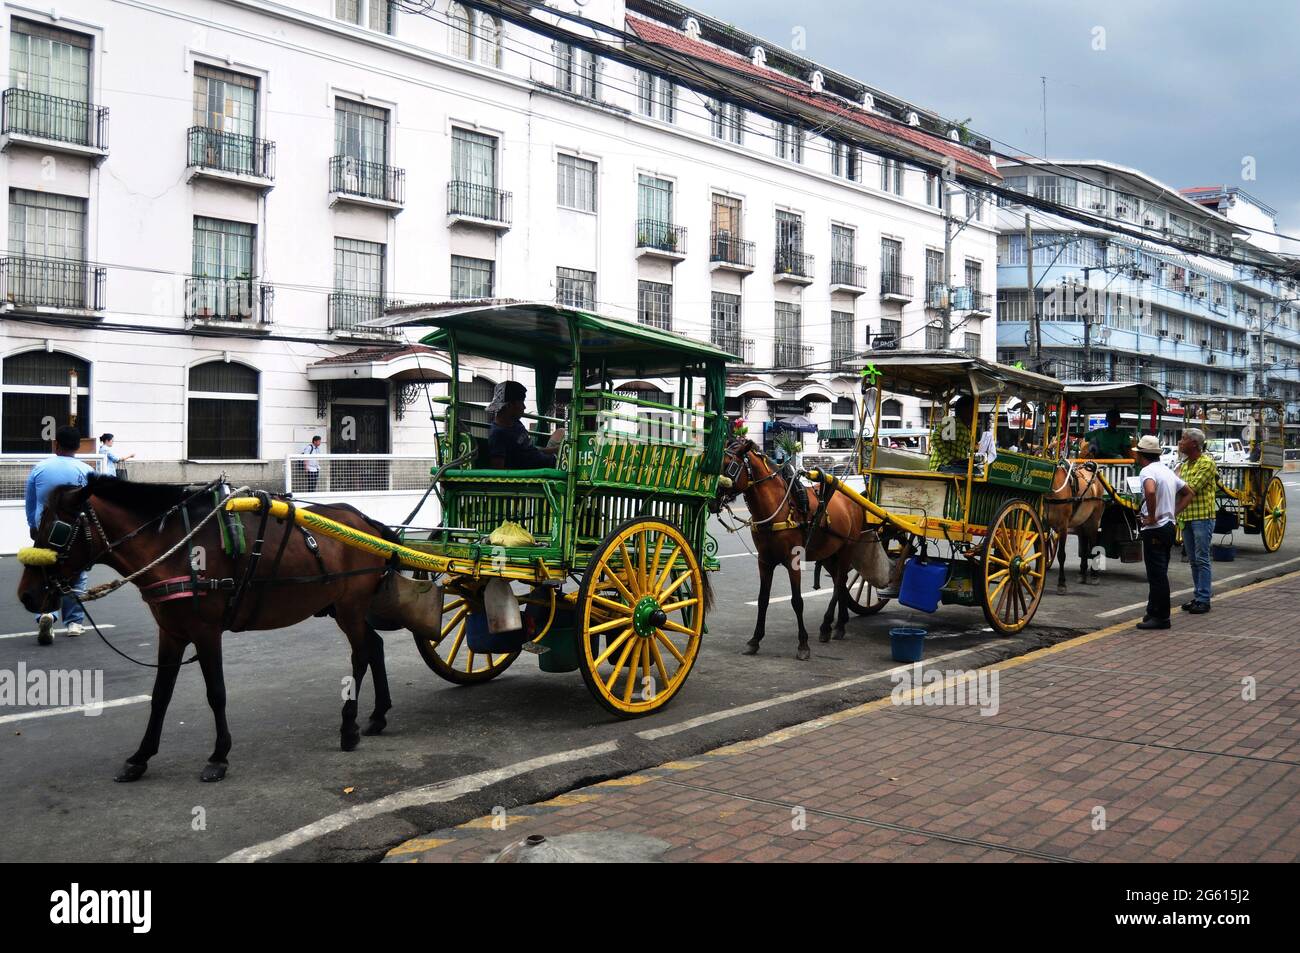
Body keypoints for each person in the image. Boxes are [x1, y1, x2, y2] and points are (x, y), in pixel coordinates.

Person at [25, 426, 93, 645]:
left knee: (45, 573)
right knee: (76, 574)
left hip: (44, 530)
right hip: (73, 533)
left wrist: (32, 525)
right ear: (77, 447)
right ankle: (73, 622)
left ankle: (46, 614)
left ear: (56, 444)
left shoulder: (40, 468)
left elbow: (30, 502)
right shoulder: (85, 470)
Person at [1133, 434, 1194, 631]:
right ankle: (1153, 611)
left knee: (1157, 574)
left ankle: (1161, 617)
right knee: (1159, 572)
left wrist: (1151, 516)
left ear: (1142, 455)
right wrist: (1172, 512)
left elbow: (1150, 491)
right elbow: (1189, 493)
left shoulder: (1147, 471)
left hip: (1155, 528)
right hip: (1168, 526)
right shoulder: (1167, 472)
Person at [1176, 428, 1217, 614]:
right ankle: (1198, 595)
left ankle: (1204, 599)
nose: (1180, 442)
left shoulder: (1206, 463)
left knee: (1202, 559)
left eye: (1183, 439)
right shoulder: (1185, 464)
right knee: (1193, 560)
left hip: (1202, 518)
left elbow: (1190, 488)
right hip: (1187, 517)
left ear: (1194, 443)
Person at [487, 381, 558, 469]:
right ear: (509, 405)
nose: (524, 407)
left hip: (550, 461)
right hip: (544, 472)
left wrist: (556, 450)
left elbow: (531, 451)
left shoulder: (516, 423)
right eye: (521, 402)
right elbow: (498, 472)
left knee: (561, 432)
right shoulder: (498, 434)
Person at [929, 395, 974, 472]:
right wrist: (948, 459)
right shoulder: (952, 422)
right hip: (942, 466)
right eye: (972, 410)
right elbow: (935, 438)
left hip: (955, 466)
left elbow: (965, 446)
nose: (974, 414)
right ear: (964, 410)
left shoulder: (965, 428)